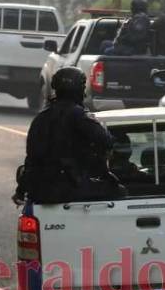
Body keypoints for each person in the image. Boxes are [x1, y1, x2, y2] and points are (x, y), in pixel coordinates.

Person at [13, 66, 123, 204]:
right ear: (80, 89)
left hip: (41, 192)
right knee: (120, 192)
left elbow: (31, 159)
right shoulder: (79, 115)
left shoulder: (41, 118)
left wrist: (20, 191)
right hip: (72, 190)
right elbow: (106, 140)